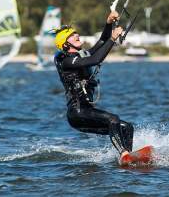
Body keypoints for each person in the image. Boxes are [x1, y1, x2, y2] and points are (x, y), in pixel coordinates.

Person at [54, 11, 134, 161]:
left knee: (126, 127)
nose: (77, 35)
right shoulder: (67, 62)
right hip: (77, 113)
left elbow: (101, 43)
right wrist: (114, 38)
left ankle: (128, 158)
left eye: (76, 33)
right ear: (65, 44)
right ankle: (123, 155)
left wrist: (109, 22)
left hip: (87, 111)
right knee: (113, 119)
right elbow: (96, 59)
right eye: (72, 35)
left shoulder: (81, 55)